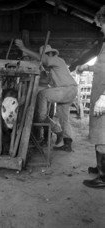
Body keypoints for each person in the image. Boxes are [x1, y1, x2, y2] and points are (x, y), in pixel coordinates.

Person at [15, 40, 77, 151]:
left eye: (45, 55)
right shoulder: (53, 69)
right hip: (69, 91)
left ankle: (49, 123)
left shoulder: (57, 60)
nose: (44, 58)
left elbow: (44, 60)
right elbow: (47, 79)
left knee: (42, 95)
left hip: (67, 89)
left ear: (50, 54)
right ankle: (67, 143)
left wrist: (24, 48)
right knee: (64, 118)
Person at [76, 5, 105, 188]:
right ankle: (100, 167)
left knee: (103, 136)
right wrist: (87, 67)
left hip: (103, 95)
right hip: (98, 93)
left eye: (102, 24)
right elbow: (103, 67)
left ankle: (103, 177)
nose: (101, 28)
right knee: (98, 133)